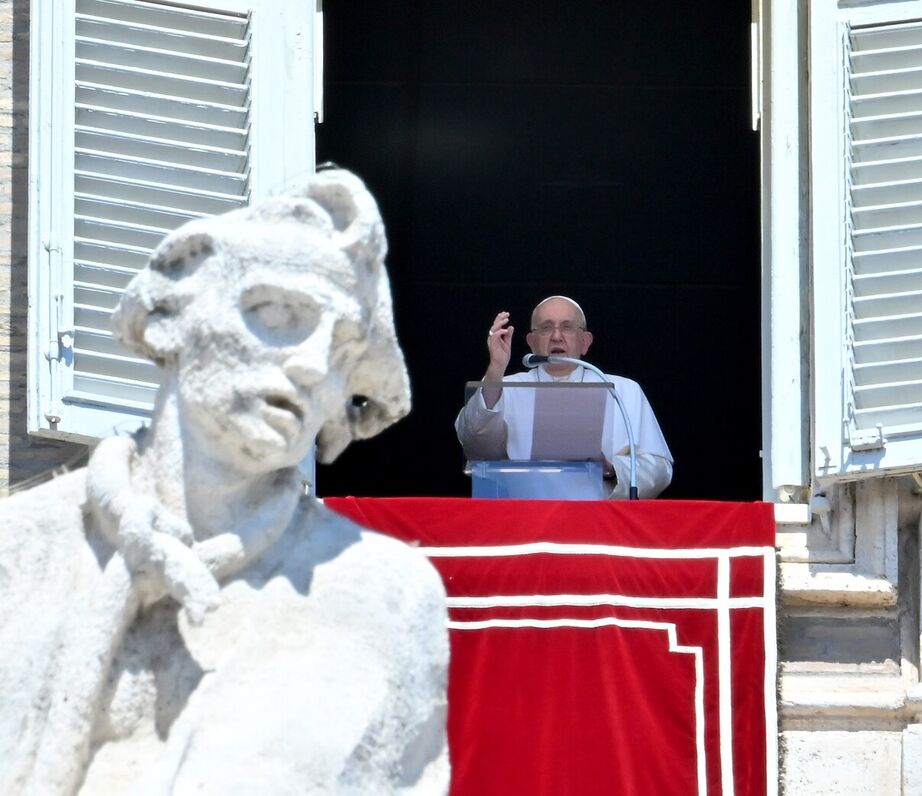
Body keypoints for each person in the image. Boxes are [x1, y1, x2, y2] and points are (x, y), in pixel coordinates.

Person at [0, 170, 449, 794]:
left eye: (344, 350)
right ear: (167, 319)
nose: (313, 363)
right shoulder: (18, 552)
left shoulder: (381, 598)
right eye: (278, 312)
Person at [455, 296, 673, 498]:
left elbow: (659, 468)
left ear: (585, 341)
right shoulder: (507, 387)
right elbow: (475, 445)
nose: (556, 336)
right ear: (531, 341)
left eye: (567, 327)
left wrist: (611, 468)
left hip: (598, 520)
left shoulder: (623, 390)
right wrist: (496, 368)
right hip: (524, 517)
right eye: (546, 327)